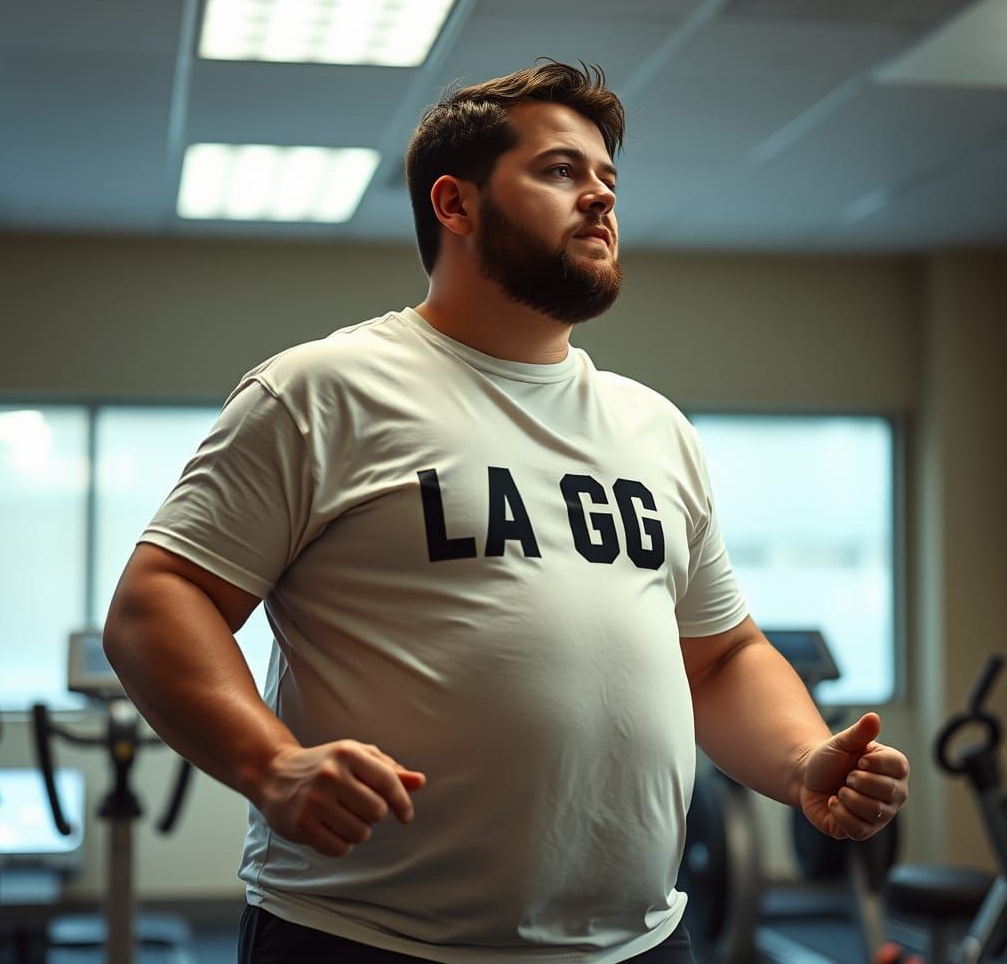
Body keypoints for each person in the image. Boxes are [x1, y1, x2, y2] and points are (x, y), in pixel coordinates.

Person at [102, 61, 910, 964]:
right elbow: (158, 600)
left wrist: (803, 760)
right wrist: (272, 764)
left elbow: (718, 658)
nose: (600, 198)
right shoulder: (324, 390)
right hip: (369, 940)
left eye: (608, 179)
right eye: (562, 171)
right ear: (455, 203)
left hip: (639, 944)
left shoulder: (654, 428)